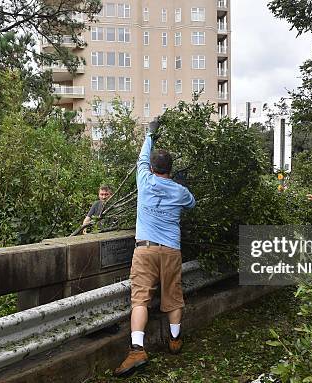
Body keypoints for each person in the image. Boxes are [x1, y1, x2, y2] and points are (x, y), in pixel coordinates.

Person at [114, 119, 196, 377]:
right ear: (170, 169)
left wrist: (151, 134)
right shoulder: (180, 191)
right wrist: (180, 185)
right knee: (173, 297)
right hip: (170, 250)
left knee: (140, 298)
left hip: (145, 249)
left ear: (152, 167)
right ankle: (174, 341)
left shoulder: (144, 179)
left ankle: (137, 350)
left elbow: (141, 156)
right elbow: (192, 203)